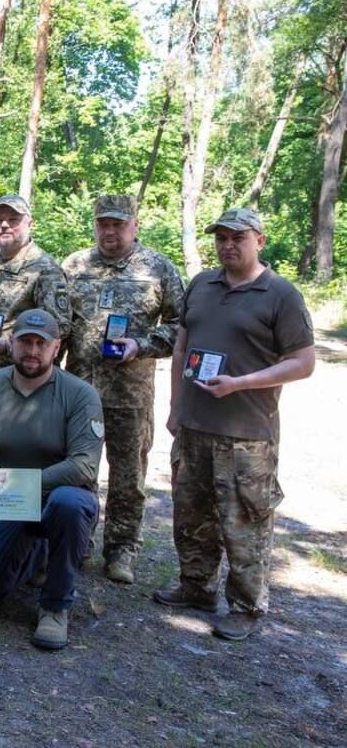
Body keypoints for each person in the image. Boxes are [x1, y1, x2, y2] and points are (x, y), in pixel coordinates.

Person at [154, 208, 315, 641]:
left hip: (246, 433)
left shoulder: (281, 294)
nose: (227, 245)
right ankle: (196, 586)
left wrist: (242, 383)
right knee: (192, 514)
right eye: (221, 237)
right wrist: (175, 405)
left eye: (237, 238)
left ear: (258, 240)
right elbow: (183, 342)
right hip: (193, 425)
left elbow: (303, 362)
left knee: (245, 521)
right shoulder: (202, 284)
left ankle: (246, 605)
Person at [0, 309, 104, 651]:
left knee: (71, 504)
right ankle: (35, 551)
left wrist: (24, 482)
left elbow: (84, 466)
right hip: (5, 501)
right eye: (24, 342)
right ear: (11, 345)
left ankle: (55, 606)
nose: (32, 350)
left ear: (56, 347)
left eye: (41, 343)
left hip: (54, 499)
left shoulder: (80, 395)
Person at [61, 194, 184, 584]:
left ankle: (121, 549)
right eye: (103, 223)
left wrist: (142, 344)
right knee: (76, 472)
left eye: (118, 224)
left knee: (128, 478)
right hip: (79, 393)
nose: (109, 231)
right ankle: (76, 543)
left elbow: (181, 324)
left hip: (130, 395)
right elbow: (60, 324)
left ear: (134, 225)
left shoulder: (157, 268)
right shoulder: (75, 265)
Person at [0, 194, 71, 380]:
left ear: (29, 223)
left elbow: (59, 327)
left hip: (23, 380)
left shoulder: (45, 269)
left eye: (13, 220)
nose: (4, 225)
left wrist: (11, 345)